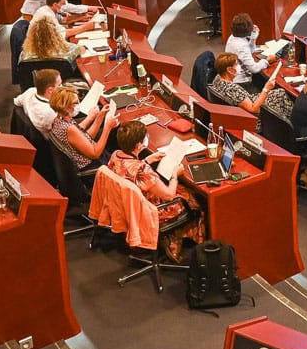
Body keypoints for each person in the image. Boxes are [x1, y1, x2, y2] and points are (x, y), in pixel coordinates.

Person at [105, 121, 201, 255]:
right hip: (148, 212)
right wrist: (174, 175)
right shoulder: (144, 172)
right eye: (145, 137)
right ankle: (179, 245)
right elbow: (169, 195)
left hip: (125, 206)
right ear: (139, 144)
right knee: (191, 198)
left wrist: (147, 160)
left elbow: (129, 172)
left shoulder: (116, 155)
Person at [46, 84, 117, 167]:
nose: (78, 104)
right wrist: (107, 128)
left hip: (91, 156)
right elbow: (95, 153)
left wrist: (100, 117)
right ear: (65, 107)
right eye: (75, 103)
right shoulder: (69, 128)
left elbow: (85, 137)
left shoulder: (59, 119)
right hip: (94, 165)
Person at [207, 52, 280, 115]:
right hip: (255, 117)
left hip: (248, 101)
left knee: (280, 93)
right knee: (283, 97)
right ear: (229, 70)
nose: (239, 67)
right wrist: (266, 88)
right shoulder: (233, 89)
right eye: (236, 64)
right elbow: (254, 109)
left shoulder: (217, 78)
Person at [224, 14, 274, 88]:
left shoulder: (232, 37)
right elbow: (254, 69)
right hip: (242, 84)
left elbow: (248, 51)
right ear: (248, 30)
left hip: (232, 78)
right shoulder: (241, 46)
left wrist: (253, 38)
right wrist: (267, 61)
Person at [14, 68, 61, 133]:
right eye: (59, 85)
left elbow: (16, 102)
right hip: (50, 140)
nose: (62, 87)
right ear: (50, 90)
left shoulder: (30, 92)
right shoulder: (50, 112)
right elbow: (67, 130)